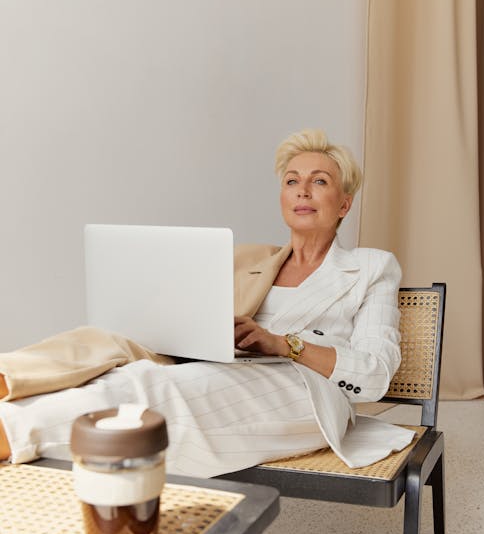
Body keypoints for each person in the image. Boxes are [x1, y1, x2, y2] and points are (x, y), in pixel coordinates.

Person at [0, 129, 414, 473]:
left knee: (146, 387)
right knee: (107, 342)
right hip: (222, 364)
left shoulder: (372, 267)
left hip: (304, 389)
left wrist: (284, 344)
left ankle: (11, 431)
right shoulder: (251, 259)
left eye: (319, 181)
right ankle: (8, 378)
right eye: (292, 180)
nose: (302, 190)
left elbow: (376, 377)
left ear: (344, 204)